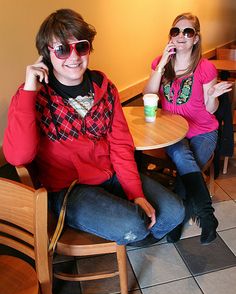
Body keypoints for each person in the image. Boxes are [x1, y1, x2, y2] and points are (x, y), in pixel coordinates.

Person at [3, 8, 184, 247]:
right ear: (46, 55)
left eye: (81, 46)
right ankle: (132, 232)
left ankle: (132, 234)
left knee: (175, 213)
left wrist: (135, 193)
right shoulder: (33, 96)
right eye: (62, 49)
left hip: (110, 176)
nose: (74, 56)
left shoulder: (105, 89)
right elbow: (18, 156)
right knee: (133, 225)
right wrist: (28, 92)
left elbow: (120, 145)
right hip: (69, 190)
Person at [143, 12, 232, 245]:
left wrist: (212, 96)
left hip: (203, 130)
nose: (181, 36)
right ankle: (206, 216)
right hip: (172, 130)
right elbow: (149, 95)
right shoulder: (159, 62)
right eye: (176, 31)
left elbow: (211, 110)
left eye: (188, 32)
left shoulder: (205, 68)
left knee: (185, 170)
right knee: (183, 156)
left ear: (196, 38)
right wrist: (161, 65)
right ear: (170, 36)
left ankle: (176, 220)